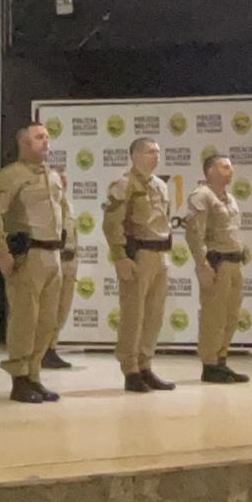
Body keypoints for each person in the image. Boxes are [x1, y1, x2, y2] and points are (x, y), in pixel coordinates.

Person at [0, 124, 68, 403]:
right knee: (25, 320)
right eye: (39, 137)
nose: (46, 142)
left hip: (53, 254)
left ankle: (34, 374)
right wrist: (2, 253)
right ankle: (19, 378)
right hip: (28, 256)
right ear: (23, 143)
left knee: (47, 321)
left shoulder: (52, 175)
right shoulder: (12, 175)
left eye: (47, 137)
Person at [102, 137, 176, 393]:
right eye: (149, 152)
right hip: (138, 254)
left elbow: (164, 220)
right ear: (134, 155)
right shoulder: (124, 184)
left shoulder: (160, 185)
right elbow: (112, 223)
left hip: (159, 253)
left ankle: (146, 365)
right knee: (134, 314)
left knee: (154, 314)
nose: (155, 156)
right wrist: (120, 256)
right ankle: (131, 369)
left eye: (157, 152)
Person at [185, 154, 251, 384]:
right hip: (217, 263)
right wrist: (202, 264)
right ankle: (210, 364)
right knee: (214, 315)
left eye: (230, 167)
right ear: (210, 171)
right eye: (224, 167)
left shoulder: (229, 198)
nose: (230, 171)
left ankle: (221, 360)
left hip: (234, 262)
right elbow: (194, 233)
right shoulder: (202, 196)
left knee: (231, 315)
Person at [41, 177, 79, 370]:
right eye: (59, 180)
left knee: (63, 308)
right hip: (55, 259)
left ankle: (52, 348)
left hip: (69, 261)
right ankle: (42, 350)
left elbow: (73, 234)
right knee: (50, 308)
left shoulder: (69, 206)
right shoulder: (47, 205)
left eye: (65, 180)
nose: (63, 183)